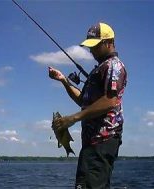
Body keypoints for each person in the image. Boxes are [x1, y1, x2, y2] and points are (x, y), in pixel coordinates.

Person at [49, 22, 127, 189]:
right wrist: (63, 80)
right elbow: (83, 101)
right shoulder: (100, 68)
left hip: (102, 140)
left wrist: (72, 119)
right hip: (92, 142)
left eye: (95, 46)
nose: (91, 51)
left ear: (108, 43)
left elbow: (110, 100)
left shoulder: (114, 65)